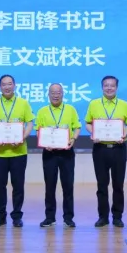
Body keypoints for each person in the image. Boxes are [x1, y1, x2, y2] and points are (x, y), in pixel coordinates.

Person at [0, 74, 34, 228]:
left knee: (18, 186)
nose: (7, 87)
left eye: (10, 84)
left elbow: (30, 123)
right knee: (0, 186)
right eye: (4, 84)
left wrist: (22, 137)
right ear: (0, 87)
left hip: (19, 152)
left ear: (14, 85)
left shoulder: (23, 103)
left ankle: (17, 216)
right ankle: (0, 216)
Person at [85, 75, 127, 228]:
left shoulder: (124, 104)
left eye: (112, 85)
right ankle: (103, 217)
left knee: (118, 185)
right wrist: (93, 133)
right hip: (100, 149)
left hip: (118, 149)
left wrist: (124, 133)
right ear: (102, 87)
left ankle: (117, 217)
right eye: (106, 85)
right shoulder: (94, 104)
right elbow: (88, 123)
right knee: (102, 185)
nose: (109, 88)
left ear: (116, 87)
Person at [36, 83, 81, 228]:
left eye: (58, 92)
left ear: (63, 94)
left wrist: (73, 139)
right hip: (49, 153)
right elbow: (38, 130)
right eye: (53, 93)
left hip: (67, 153)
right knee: (50, 186)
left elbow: (77, 127)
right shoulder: (42, 111)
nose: (56, 95)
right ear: (48, 94)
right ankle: (50, 218)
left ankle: (68, 218)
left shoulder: (70, 109)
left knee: (68, 186)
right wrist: (44, 143)